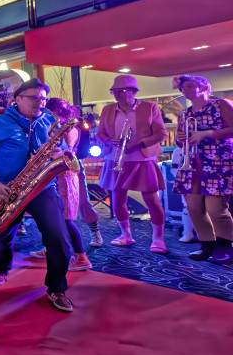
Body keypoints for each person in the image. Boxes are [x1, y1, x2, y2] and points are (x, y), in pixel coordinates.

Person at [0, 78, 75, 313]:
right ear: (17, 99)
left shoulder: (49, 121)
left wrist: (60, 153)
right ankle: (0, 268)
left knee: (59, 237)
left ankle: (57, 289)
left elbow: (61, 150)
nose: (40, 102)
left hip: (42, 187)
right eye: (34, 98)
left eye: (43, 99)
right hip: (6, 187)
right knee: (2, 234)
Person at [96, 75, 169, 253]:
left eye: (120, 91)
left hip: (143, 159)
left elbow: (161, 134)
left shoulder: (150, 107)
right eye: (113, 91)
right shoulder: (108, 109)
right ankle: (125, 235)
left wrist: (139, 143)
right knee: (117, 198)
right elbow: (100, 134)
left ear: (133, 92)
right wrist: (108, 140)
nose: (116, 94)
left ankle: (158, 239)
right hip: (115, 159)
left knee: (151, 199)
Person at [172, 75, 233, 263]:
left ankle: (226, 248)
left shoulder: (220, 104)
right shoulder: (184, 113)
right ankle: (207, 246)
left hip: (218, 162)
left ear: (205, 87)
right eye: (183, 88)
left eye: (191, 86)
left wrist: (207, 133)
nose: (185, 90)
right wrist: (181, 139)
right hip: (192, 163)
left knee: (216, 210)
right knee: (193, 207)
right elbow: (181, 142)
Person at [29, 99, 92, 272]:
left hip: (65, 177)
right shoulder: (59, 127)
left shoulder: (68, 129)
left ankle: (81, 257)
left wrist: (56, 151)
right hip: (58, 177)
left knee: (65, 220)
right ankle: (50, 248)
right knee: (53, 217)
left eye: (51, 112)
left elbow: (67, 152)